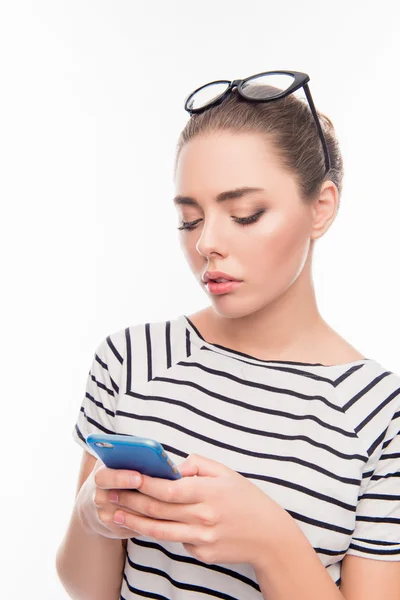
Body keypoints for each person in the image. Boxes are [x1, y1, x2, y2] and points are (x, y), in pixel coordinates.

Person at [56, 71, 400, 600]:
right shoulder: (130, 360)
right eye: (190, 220)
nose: (207, 244)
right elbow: (88, 590)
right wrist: (92, 516)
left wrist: (271, 541)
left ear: (321, 207)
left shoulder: (378, 413)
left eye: (244, 214)